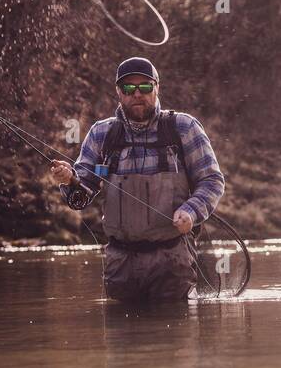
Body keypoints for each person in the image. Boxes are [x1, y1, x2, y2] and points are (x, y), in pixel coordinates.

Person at [50, 57, 225, 302]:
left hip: (173, 260)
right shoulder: (102, 134)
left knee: (177, 336)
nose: (137, 94)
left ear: (157, 88)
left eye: (144, 87)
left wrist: (191, 211)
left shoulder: (183, 128)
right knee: (121, 336)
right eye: (128, 88)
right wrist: (70, 181)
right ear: (118, 92)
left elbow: (212, 181)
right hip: (120, 264)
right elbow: (80, 199)